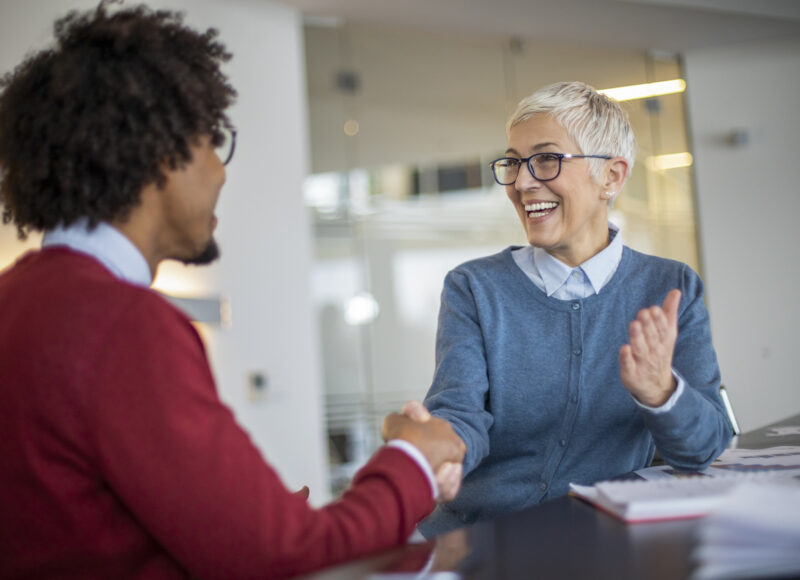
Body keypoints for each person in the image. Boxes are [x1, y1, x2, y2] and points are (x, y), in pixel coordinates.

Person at [0, 3, 464, 579]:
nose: (221, 172)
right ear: (160, 153)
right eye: (212, 141)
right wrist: (414, 459)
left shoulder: (16, 300)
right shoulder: (124, 324)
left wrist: (254, 514)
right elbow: (279, 557)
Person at [417, 81, 732, 538]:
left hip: (601, 545)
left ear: (612, 177)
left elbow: (703, 450)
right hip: (478, 539)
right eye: (514, 163)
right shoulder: (473, 287)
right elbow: (460, 414)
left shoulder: (670, 287)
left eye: (546, 159)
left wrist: (661, 392)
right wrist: (436, 447)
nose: (523, 182)